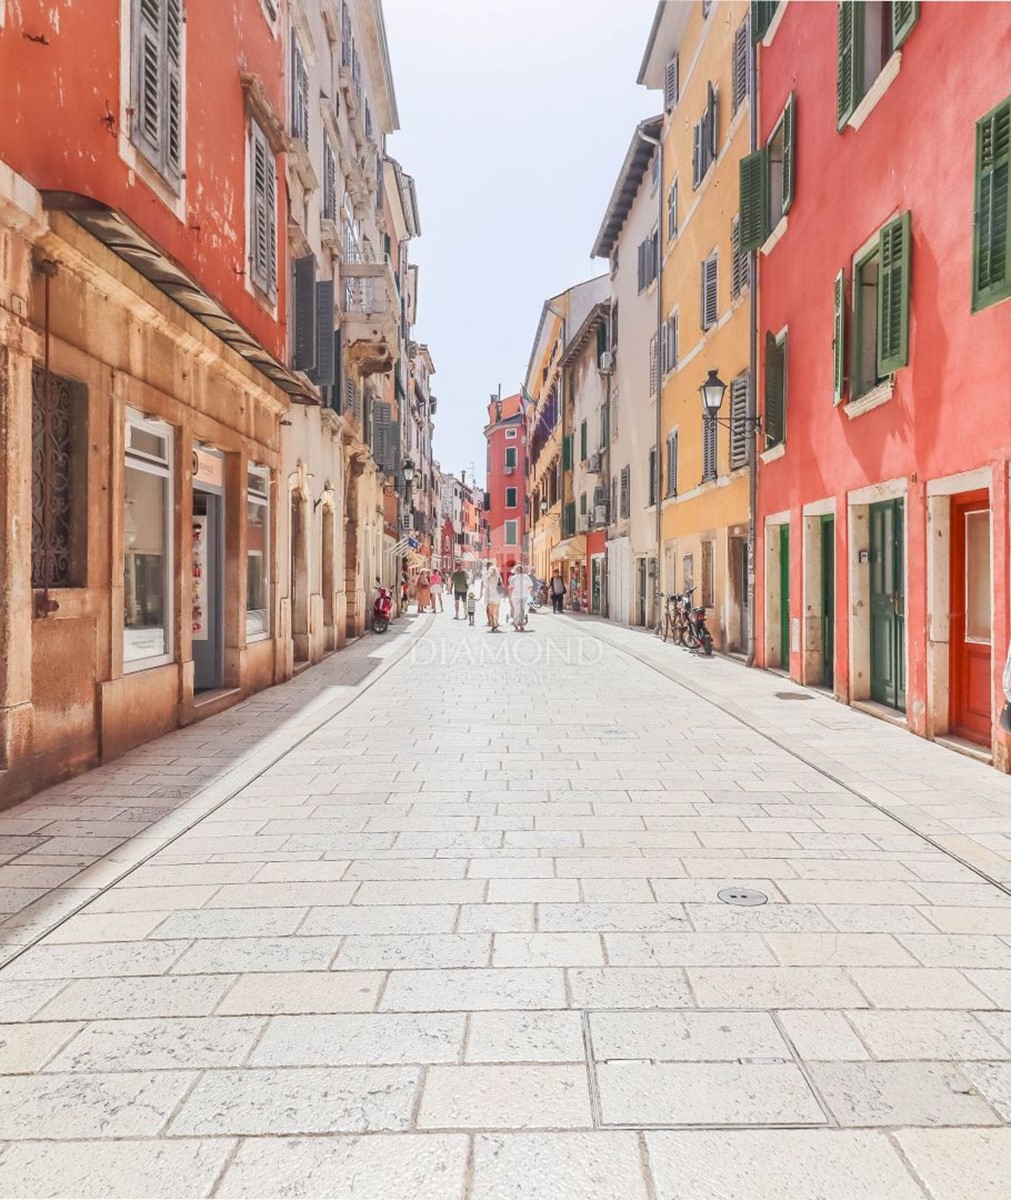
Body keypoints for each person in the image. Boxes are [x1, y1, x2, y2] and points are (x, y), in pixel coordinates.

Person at [509, 563, 533, 632]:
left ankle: (516, 623)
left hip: (515, 596)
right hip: (524, 596)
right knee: (522, 610)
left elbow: (511, 588)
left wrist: (510, 597)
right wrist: (528, 592)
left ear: (516, 570)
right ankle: (521, 624)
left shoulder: (513, 578)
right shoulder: (526, 577)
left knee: (517, 610)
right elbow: (530, 586)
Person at [485, 564, 502, 632]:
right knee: (497, 611)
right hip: (497, 596)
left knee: (491, 612)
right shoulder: (499, 578)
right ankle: (496, 622)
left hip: (490, 596)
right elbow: (500, 587)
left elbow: (486, 587)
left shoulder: (487, 578)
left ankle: (493, 624)